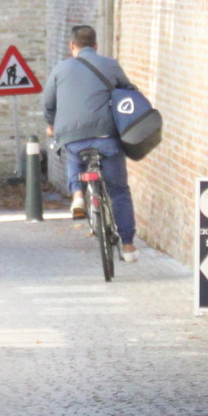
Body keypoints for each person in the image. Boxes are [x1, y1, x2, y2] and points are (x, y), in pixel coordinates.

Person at [41, 22, 137, 262]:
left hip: (73, 137)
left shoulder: (60, 69)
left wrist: (52, 125)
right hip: (107, 137)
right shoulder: (110, 65)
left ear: (72, 46)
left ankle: (77, 196)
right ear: (96, 45)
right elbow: (129, 93)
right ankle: (128, 246)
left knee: (73, 155)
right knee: (119, 191)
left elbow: (48, 104)